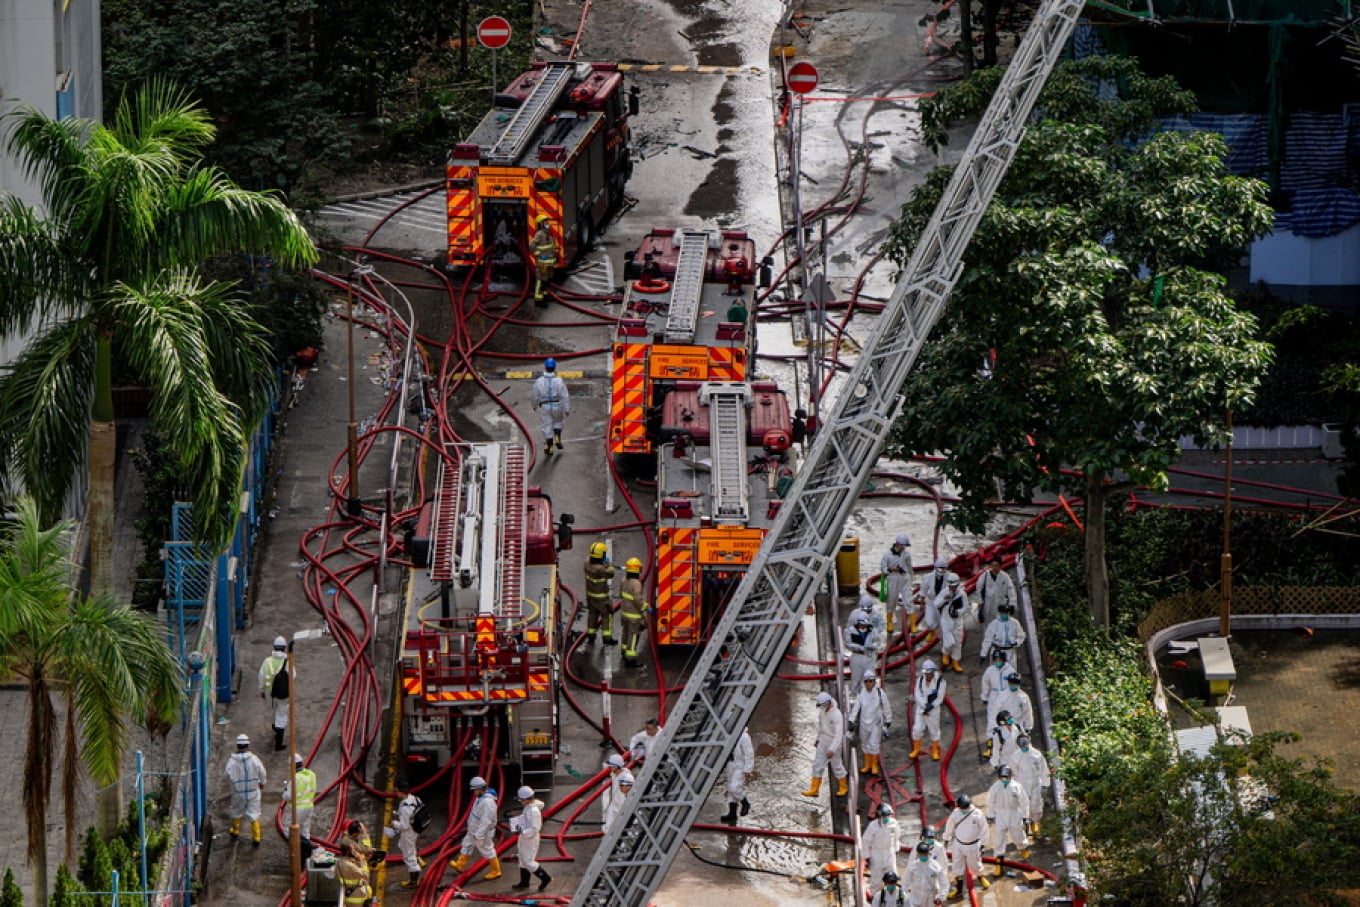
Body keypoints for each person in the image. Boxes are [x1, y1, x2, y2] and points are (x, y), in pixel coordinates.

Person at [449, 776, 501, 880]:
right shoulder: (480, 798)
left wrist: (479, 835)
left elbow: (486, 821)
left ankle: (496, 871)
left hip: (483, 832)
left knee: (487, 849)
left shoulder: (488, 803)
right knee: (467, 844)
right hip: (473, 829)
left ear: (481, 789)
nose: (474, 792)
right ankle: (460, 864)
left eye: (475, 790)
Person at [802, 691, 849, 798]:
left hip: (833, 743)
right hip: (823, 741)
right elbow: (821, 727)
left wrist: (832, 749)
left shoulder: (837, 715)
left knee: (837, 766)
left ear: (828, 703)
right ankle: (814, 789)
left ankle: (843, 787)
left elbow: (838, 735)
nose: (822, 707)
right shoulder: (822, 711)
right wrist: (818, 739)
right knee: (817, 765)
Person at [942, 794, 990, 898]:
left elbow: (984, 829)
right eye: (961, 808)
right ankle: (958, 889)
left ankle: (980, 877)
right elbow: (949, 826)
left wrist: (983, 844)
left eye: (964, 808)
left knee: (975, 864)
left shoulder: (977, 814)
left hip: (973, 845)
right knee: (957, 866)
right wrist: (946, 838)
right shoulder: (956, 813)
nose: (963, 810)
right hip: (958, 844)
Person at [986, 764, 1031, 871]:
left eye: (1006, 777)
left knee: (1018, 834)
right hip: (1000, 814)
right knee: (999, 839)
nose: (1004, 779)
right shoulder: (995, 787)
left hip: (1014, 813)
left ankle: (1023, 849)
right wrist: (990, 815)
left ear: (1010, 776)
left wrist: (1025, 816)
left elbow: (1024, 802)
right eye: (1002, 777)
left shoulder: (1017, 787)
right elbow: (991, 802)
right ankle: (999, 862)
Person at [225, 734, 267, 847]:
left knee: (236, 811)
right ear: (248, 745)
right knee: (254, 813)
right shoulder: (254, 759)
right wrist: (262, 783)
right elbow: (263, 772)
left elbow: (226, 775)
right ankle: (256, 837)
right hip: (253, 791)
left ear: (237, 746)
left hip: (238, 792)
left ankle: (235, 831)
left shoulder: (232, 761)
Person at [848, 673, 892, 776]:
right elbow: (856, 707)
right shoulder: (861, 693)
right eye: (866, 681)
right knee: (864, 743)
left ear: (874, 682)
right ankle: (867, 764)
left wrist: (888, 719)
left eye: (870, 681)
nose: (868, 683)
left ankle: (874, 765)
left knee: (874, 744)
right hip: (864, 723)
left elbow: (886, 706)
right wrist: (851, 720)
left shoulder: (880, 693)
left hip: (876, 723)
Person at [1007, 735, 1051, 835]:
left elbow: (1044, 770)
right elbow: (1012, 773)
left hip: (1035, 783)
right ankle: (1025, 822)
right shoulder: (1015, 757)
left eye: (1025, 743)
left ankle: (1034, 822)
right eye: (1021, 744)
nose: (1024, 746)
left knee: (1036, 805)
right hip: (1022, 783)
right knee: (1023, 804)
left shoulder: (1037, 755)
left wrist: (1045, 785)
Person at [510, 785, 551, 891]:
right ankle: (524, 883)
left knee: (528, 861)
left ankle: (545, 878)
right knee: (523, 859)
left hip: (530, 839)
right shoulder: (528, 807)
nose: (520, 802)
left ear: (527, 799)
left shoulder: (533, 811)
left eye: (521, 800)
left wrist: (523, 832)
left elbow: (535, 828)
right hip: (525, 838)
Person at [531, 358, 571, 455]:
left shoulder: (539, 381)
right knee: (558, 422)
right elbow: (565, 395)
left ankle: (550, 447)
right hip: (557, 405)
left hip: (545, 406)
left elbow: (535, 395)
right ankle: (557, 437)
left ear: (545, 367)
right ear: (554, 367)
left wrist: (534, 405)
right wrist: (567, 409)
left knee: (547, 425)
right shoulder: (559, 381)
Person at [862, 803, 901, 899]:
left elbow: (897, 837)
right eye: (884, 816)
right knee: (876, 877)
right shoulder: (873, 826)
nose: (887, 818)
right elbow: (866, 841)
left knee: (892, 874)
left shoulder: (894, 823)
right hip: (877, 853)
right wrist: (866, 856)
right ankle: (876, 897)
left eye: (888, 815)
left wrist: (896, 849)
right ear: (879, 815)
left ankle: (892, 897)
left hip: (889, 852)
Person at [909, 660, 946, 762]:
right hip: (921, 709)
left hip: (933, 711)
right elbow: (917, 694)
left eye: (929, 673)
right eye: (926, 673)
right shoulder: (920, 680)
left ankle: (935, 750)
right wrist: (924, 704)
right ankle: (916, 749)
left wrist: (932, 705)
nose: (928, 675)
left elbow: (940, 697)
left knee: (934, 730)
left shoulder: (940, 682)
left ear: (933, 672)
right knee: (917, 729)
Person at [258, 636, 290, 751]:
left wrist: (261, 690)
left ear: (274, 647)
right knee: (281, 714)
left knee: (273, 711)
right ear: (284, 648)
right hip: (283, 694)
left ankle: (275, 727)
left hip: (269, 693)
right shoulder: (288, 662)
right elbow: (293, 676)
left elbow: (261, 677)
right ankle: (279, 743)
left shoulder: (267, 661)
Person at [391, 786, 426, 888]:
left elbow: (404, 826)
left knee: (408, 855)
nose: (396, 793)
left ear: (402, 792)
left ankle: (413, 880)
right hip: (415, 830)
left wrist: (394, 823)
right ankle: (417, 859)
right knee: (402, 846)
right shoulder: (414, 799)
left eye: (397, 791)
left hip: (409, 833)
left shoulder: (406, 808)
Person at [582, 541, 616, 647]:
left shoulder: (586, 563)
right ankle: (607, 638)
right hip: (602, 598)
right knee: (607, 616)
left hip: (590, 596)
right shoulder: (600, 569)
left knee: (592, 615)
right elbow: (611, 573)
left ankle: (591, 635)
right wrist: (609, 564)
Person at [618, 557, 650, 668]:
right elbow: (637, 599)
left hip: (624, 613)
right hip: (634, 616)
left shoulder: (623, 580)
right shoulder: (636, 583)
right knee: (634, 635)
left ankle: (624, 651)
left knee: (625, 632)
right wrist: (646, 607)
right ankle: (630, 659)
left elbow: (621, 594)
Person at [933, 573, 968, 673]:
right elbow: (936, 604)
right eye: (951, 586)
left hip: (957, 620)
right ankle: (945, 654)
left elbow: (965, 607)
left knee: (957, 641)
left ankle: (955, 661)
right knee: (949, 641)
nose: (953, 588)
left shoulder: (962, 594)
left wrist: (958, 612)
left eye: (954, 586)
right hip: (946, 620)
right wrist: (944, 599)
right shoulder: (944, 592)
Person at [879, 533, 912, 635]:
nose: (904, 548)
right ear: (898, 544)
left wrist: (910, 578)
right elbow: (883, 569)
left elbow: (910, 567)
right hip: (892, 579)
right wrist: (892, 569)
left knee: (909, 600)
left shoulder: (906, 554)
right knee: (891, 600)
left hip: (903, 578)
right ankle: (889, 621)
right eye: (903, 545)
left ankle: (913, 624)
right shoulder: (887, 555)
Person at [844, 602, 882, 690]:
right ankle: (857, 696)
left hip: (869, 657)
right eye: (861, 624)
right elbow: (848, 643)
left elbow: (878, 642)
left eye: (864, 624)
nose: (863, 626)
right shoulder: (851, 631)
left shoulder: (873, 631)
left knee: (869, 679)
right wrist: (859, 648)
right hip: (857, 657)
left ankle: (870, 696)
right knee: (856, 679)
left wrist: (872, 646)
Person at [722, 726, 755, 824]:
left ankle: (745, 803)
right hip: (730, 764)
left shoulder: (744, 736)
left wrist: (748, 769)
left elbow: (749, 753)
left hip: (740, 766)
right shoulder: (729, 734)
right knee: (730, 789)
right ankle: (732, 814)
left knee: (734, 787)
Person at [281, 753, 317, 841]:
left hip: (297, 809)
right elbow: (314, 790)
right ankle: (305, 845)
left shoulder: (296, 778)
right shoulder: (311, 774)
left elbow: (287, 797)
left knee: (289, 828)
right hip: (309, 806)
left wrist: (285, 790)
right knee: (305, 828)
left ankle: (294, 846)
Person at [978, 602, 1026, 668]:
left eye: (1006, 613)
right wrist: (983, 654)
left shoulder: (1015, 623)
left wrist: (1016, 642)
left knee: (1010, 671)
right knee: (995, 671)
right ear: (999, 613)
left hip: (1010, 652)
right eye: (1002, 613)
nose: (1004, 615)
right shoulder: (994, 624)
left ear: (1009, 613)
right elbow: (987, 639)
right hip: (997, 652)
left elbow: (1021, 636)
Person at [973, 557, 1017, 627]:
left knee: (1001, 625)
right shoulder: (985, 576)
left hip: (1001, 605)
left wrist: (1012, 604)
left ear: (1000, 566)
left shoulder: (1005, 577)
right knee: (988, 625)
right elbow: (979, 590)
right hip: (988, 605)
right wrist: (980, 607)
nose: (994, 568)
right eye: (993, 565)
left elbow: (1011, 591)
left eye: (996, 565)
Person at [904, 839, 947, 906]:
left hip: (930, 899)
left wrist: (941, 896)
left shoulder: (935, 866)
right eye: (921, 854)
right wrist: (904, 895)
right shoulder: (913, 866)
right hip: (915, 897)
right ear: (918, 854)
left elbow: (944, 883)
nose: (923, 856)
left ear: (928, 853)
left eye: (925, 854)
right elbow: (906, 882)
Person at [978, 648, 1010, 736]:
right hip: (994, 696)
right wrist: (984, 697)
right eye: (996, 660)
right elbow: (985, 684)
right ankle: (990, 739)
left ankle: (1006, 738)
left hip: (1006, 696)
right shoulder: (990, 671)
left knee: (1007, 718)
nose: (997, 662)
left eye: (1000, 660)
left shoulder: (1010, 671)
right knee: (992, 719)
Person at [336, 842, 373, 907]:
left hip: (348, 894)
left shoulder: (339, 863)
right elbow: (366, 875)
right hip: (357, 897)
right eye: (353, 849)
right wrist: (362, 862)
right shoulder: (350, 866)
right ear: (348, 852)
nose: (355, 851)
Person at [530, 215, 557, 303]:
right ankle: (539, 299)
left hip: (549, 262)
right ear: (540, 224)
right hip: (543, 263)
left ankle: (545, 295)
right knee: (541, 280)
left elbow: (551, 246)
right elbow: (531, 245)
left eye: (547, 222)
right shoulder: (540, 234)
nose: (547, 224)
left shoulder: (548, 233)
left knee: (548, 279)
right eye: (545, 222)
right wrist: (537, 253)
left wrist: (555, 255)